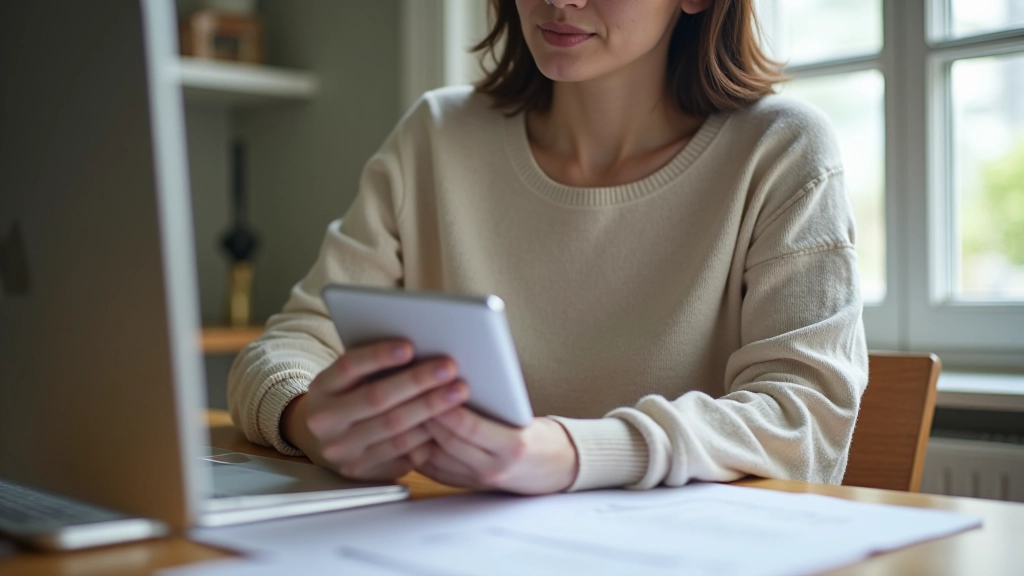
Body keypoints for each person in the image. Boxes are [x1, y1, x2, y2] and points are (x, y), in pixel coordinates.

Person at [228, 0, 868, 496]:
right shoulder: (436, 137)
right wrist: (311, 421)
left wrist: (564, 453)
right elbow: (284, 349)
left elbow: (805, 423)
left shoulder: (781, 152)